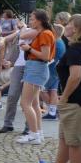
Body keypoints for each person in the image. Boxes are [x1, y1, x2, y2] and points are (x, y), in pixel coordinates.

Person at [38, 14, 81, 163]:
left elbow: (76, 76)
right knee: (65, 138)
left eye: (70, 24)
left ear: (77, 29)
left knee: (75, 141)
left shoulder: (76, 49)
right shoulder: (76, 48)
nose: (66, 26)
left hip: (75, 101)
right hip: (75, 100)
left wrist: (64, 97)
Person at [15, 10, 55, 145]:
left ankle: (33, 135)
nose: (30, 22)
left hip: (36, 69)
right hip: (34, 68)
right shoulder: (44, 33)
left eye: (32, 19)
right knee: (34, 104)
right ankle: (38, 133)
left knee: (25, 103)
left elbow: (45, 56)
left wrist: (29, 49)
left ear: (39, 21)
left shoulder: (45, 34)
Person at [41, 24, 66, 121]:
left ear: (54, 32)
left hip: (51, 71)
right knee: (53, 91)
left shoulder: (56, 43)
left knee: (42, 90)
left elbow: (51, 58)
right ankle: (53, 112)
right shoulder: (61, 42)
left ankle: (53, 111)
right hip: (56, 71)